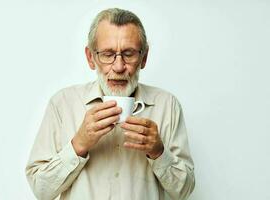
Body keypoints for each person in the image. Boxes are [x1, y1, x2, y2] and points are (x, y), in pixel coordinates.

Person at [25, 8, 195, 200]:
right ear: (91, 57)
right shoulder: (62, 104)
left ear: (144, 58)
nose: (119, 66)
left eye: (129, 54)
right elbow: (41, 189)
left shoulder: (167, 105)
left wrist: (158, 152)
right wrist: (78, 144)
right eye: (107, 54)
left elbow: (184, 191)